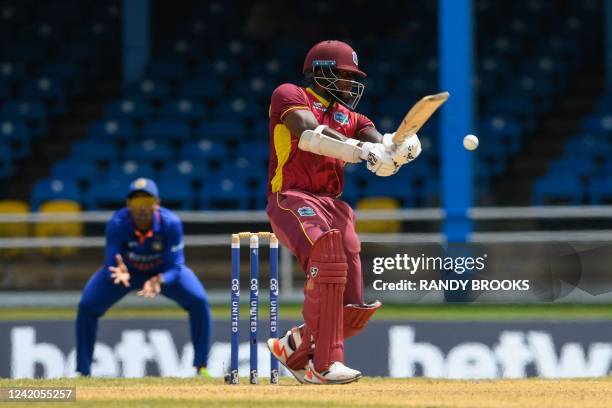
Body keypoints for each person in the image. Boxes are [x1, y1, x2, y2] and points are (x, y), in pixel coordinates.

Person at [265, 40, 422, 384]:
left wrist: (398, 148)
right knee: (328, 255)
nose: (351, 85)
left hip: (334, 206)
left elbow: (377, 141)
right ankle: (325, 365)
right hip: (292, 197)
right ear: (321, 73)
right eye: (346, 76)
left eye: (354, 78)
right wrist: (365, 151)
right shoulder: (290, 94)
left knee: (352, 307)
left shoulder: (351, 117)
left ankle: (293, 347)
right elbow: (309, 134)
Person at [75, 178, 212, 377]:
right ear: (128, 205)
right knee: (87, 306)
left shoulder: (171, 223)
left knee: (199, 301)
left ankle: (202, 367)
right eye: (137, 202)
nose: (142, 208)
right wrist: (117, 270)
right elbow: (111, 263)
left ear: (157, 203)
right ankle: (83, 371)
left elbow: (176, 267)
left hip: (161, 274)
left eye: (147, 202)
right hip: (127, 275)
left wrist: (160, 280)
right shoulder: (117, 223)